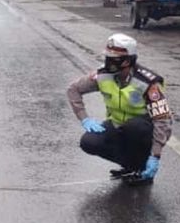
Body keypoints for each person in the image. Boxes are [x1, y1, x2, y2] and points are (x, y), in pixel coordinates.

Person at [67, 33, 173, 185]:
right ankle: (132, 166)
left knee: (134, 127)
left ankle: (144, 166)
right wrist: (84, 118)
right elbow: (73, 89)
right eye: (107, 57)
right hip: (117, 124)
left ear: (128, 60)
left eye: (114, 59)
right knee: (89, 142)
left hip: (143, 130)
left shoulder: (148, 83)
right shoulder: (103, 75)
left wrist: (155, 155)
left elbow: (163, 118)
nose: (109, 62)